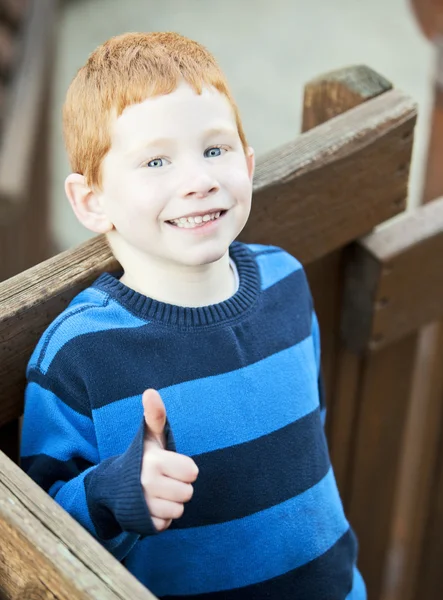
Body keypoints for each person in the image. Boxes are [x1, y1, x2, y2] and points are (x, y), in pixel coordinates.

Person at [20, 32, 366, 599]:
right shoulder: (79, 353)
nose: (198, 180)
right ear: (91, 201)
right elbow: (36, 534)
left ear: (247, 163)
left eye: (215, 150)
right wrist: (117, 491)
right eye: (156, 160)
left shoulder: (286, 282)